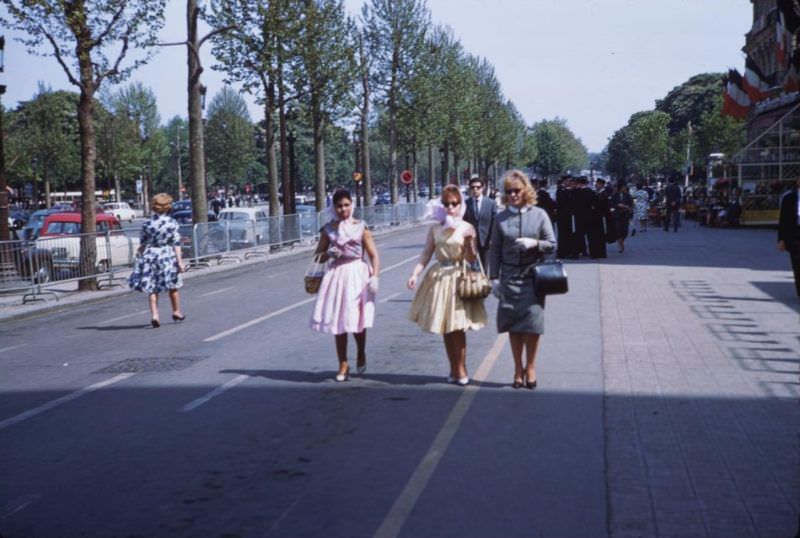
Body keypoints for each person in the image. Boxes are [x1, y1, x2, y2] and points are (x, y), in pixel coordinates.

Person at [408, 185, 486, 386]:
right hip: (439, 277)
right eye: (446, 204)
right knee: (445, 326)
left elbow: (471, 258)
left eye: (454, 203)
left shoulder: (467, 227)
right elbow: (426, 253)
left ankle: (461, 368)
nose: (450, 207)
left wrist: (469, 242)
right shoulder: (435, 228)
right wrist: (415, 274)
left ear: (460, 204)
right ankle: (453, 367)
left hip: (459, 276)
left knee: (457, 326)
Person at [488, 169, 556, 389]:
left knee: (532, 324)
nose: (513, 195)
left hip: (532, 276)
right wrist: (493, 278)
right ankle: (518, 368)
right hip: (508, 277)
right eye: (509, 191)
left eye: (517, 190)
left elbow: (552, 244)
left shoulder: (539, 214)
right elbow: (494, 249)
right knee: (513, 324)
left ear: (525, 190)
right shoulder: (500, 218)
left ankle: (531, 366)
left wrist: (535, 244)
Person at [310, 190, 380, 381]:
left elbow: (373, 254)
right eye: (339, 206)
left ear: (352, 205)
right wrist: (329, 253)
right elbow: (318, 255)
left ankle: (361, 352)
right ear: (334, 208)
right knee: (338, 320)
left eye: (347, 205)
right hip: (336, 275)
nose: (343, 209)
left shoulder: (361, 227)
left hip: (357, 273)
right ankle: (343, 364)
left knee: (356, 318)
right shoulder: (328, 229)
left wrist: (375, 275)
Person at [129, 193, 186, 328]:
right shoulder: (171, 223)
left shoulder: (147, 223)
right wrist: (180, 261)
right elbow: (176, 243)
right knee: (173, 285)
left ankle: (155, 315)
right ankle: (176, 311)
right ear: (167, 207)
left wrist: (139, 257)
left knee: (152, 287)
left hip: (151, 255)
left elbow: (143, 242)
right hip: (166, 254)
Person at [463, 173, 497, 268]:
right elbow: (463, 222)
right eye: (473, 187)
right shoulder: (466, 204)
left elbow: (494, 223)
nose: (475, 189)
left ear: (483, 188)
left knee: (485, 269)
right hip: (471, 242)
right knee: (472, 269)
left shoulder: (491, 203)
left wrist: (492, 239)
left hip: (486, 242)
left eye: (478, 187)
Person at [778, 176, 800, 298]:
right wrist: (781, 239)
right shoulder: (789, 198)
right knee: (797, 263)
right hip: (795, 234)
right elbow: (783, 220)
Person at [610, 183, 634, 253]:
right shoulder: (614, 196)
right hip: (617, 215)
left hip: (625, 215)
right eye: (624, 187)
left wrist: (627, 207)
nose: (625, 188)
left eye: (625, 187)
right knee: (618, 230)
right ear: (620, 188)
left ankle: (621, 241)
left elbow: (631, 205)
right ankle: (620, 245)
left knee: (625, 231)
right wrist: (617, 205)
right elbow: (611, 204)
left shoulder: (628, 196)